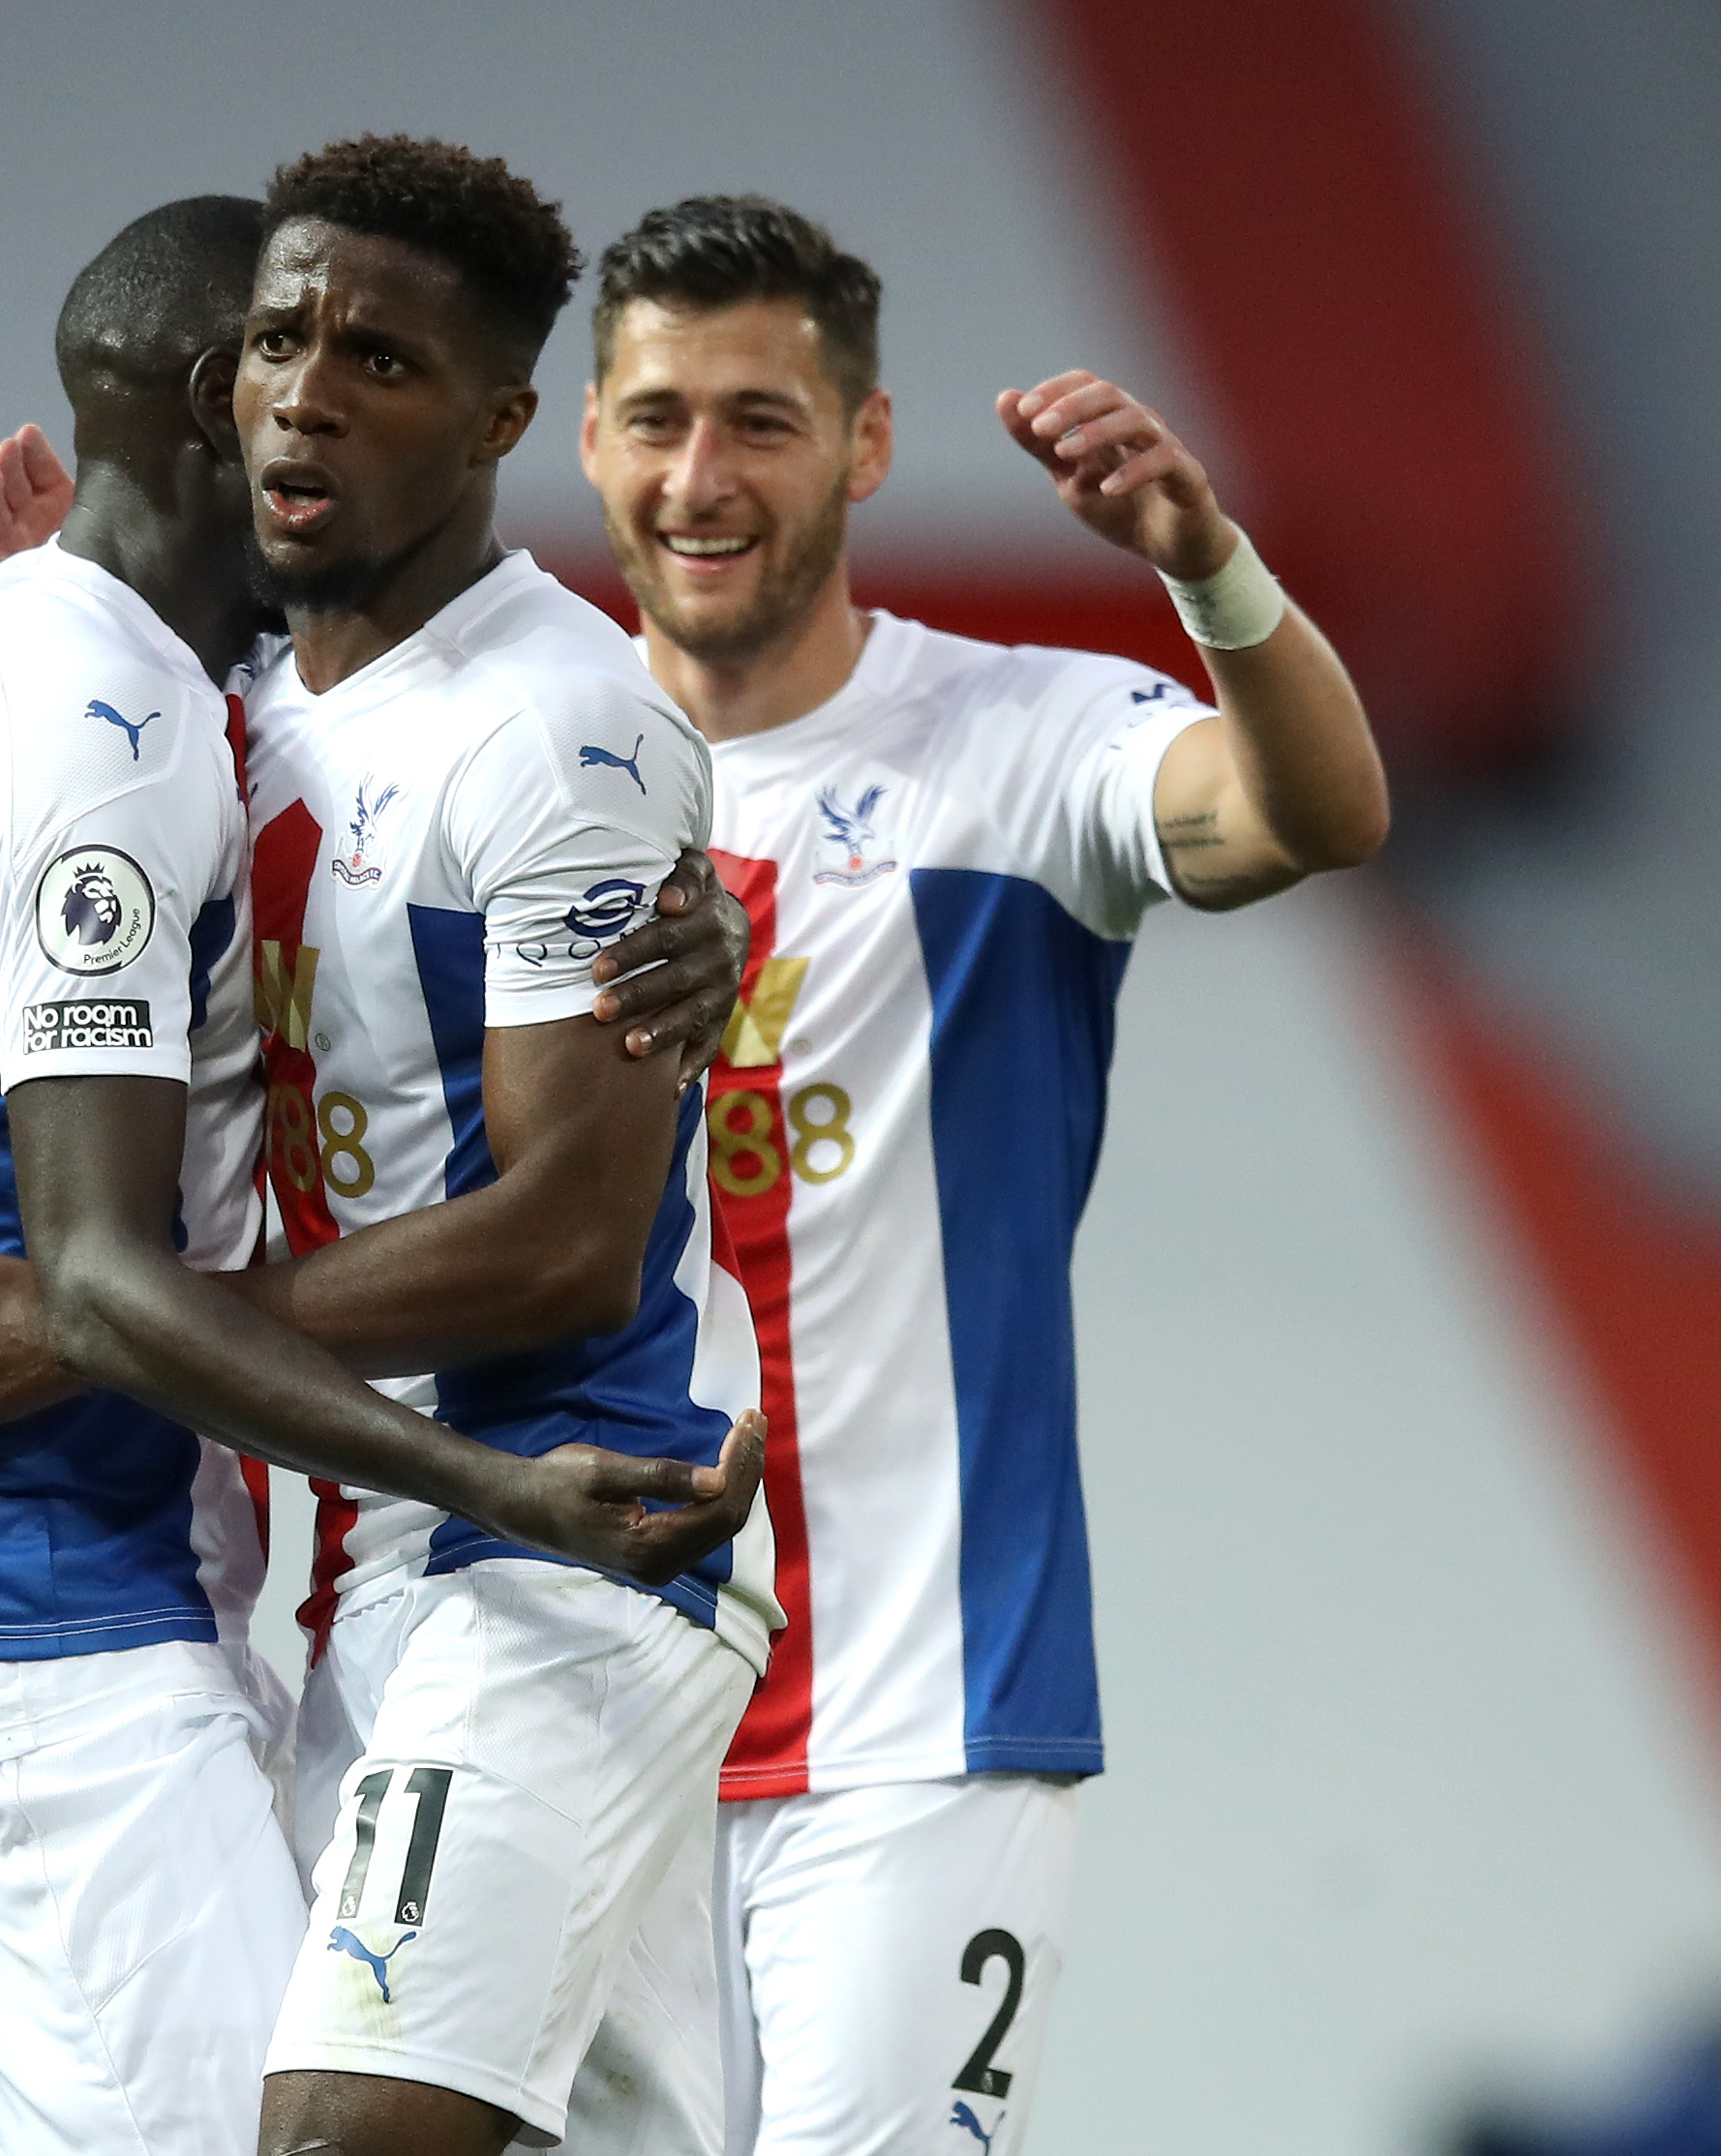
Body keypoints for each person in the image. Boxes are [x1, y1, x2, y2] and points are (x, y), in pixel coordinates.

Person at [0, 194, 762, 2156]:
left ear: (493, 418)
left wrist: (74, 1329)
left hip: (508, 1560)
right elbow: (84, 1249)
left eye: (366, 363)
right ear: (196, 403)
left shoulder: (353, 703)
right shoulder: (151, 709)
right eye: (279, 354)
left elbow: (557, 1223)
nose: (306, 403)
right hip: (99, 1618)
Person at [576, 195, 1387, 2155]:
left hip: (914, 1713)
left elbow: (1313, 813)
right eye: (661, 415)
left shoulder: (1019, 739)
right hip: (571, 1702)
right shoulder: (502, 771)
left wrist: (1211, 571)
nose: (704, 475)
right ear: (586, 436)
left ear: (862, 445)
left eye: (762, 420)